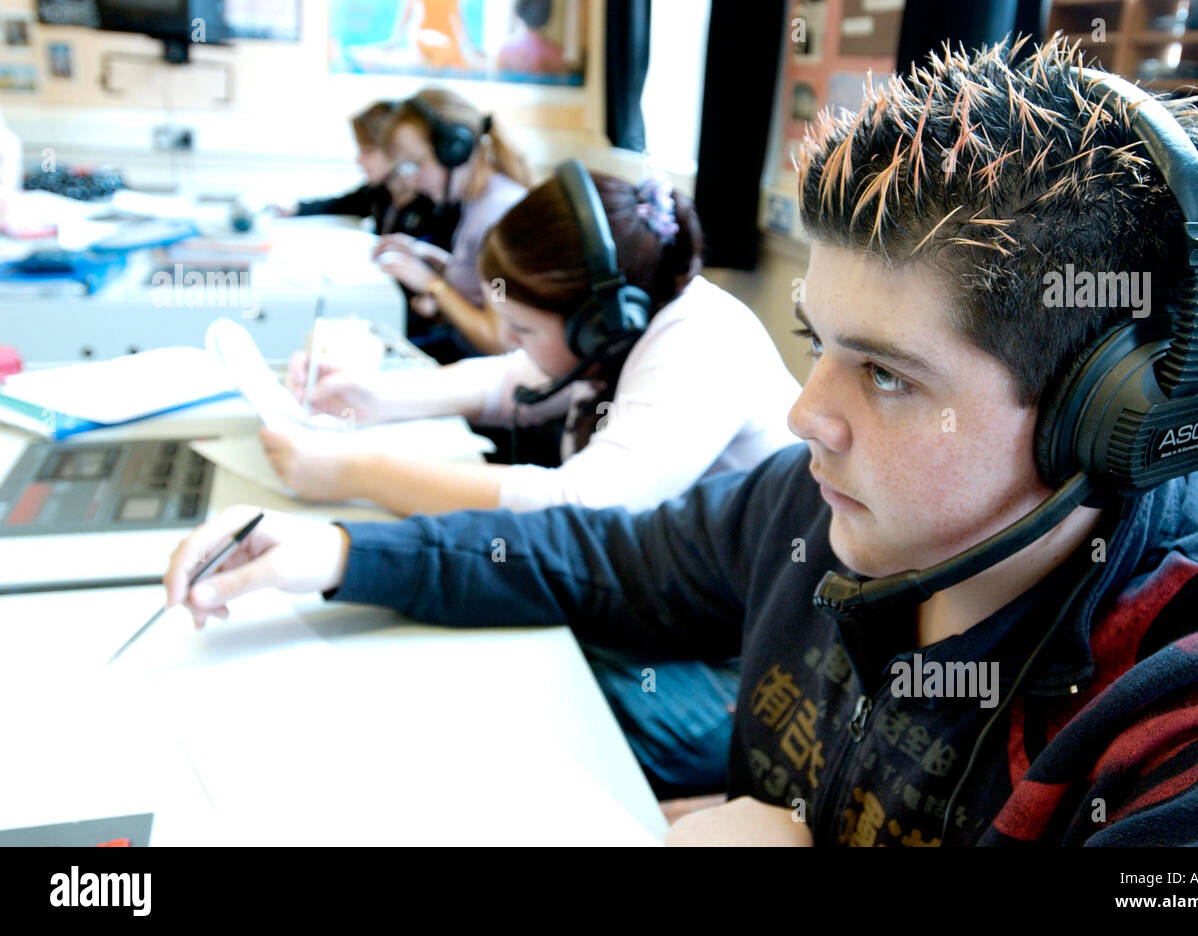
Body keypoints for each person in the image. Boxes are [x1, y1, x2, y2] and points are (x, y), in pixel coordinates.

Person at [164, 36, 1198, 845]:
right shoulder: (808, 506)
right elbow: (593, 557)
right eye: (820, 342)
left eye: (888, 375)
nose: (810, 412)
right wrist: (338, 557)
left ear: (1102, 413)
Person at [258, 162, 803, 797]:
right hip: (668, 612)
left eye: (524, 328)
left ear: (599, 324)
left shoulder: (701, 343)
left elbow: (578, 508)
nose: (512, 343)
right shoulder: (632, 323)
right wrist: (370, 398)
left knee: (507, 726)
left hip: (746, 661)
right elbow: (510, 379)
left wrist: (358, 471)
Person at [371, 87, 530, 362]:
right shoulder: (477, 201)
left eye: (416, 164)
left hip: (482, 368)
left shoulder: (497, 214)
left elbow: (499, 338)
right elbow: (485, 285)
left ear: (454, 150)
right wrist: (429, 257)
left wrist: (433, 285)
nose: (411, 180)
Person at [272, 101, 456, 249]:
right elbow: (340, 204)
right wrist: (296, 208)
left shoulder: (433, 198)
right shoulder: (379, 192)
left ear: (394, 150)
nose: (359, 161)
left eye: (367, 151)